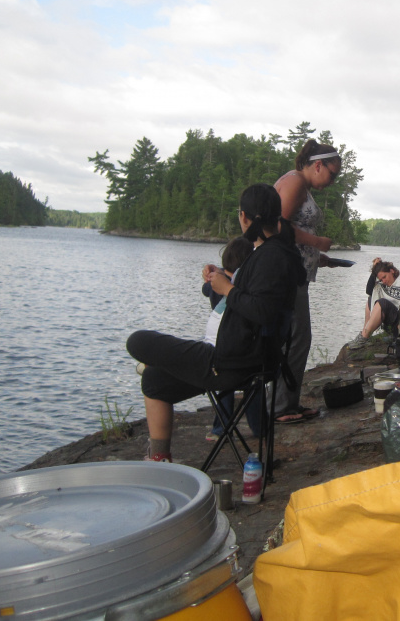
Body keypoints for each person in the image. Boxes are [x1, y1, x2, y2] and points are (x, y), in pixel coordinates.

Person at [127, 183, 305, 462]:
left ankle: (155, 363)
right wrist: (221, 277)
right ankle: (159, 458)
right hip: (245, 359)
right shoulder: (274, 253)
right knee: (154, 381)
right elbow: (258, 294)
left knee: (137, 341)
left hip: (230, 363)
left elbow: (262, 310)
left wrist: (226, 289)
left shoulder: (271, 257)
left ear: (244, 217)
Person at [273, 139, 342, 424]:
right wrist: (316, 242)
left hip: (296, 271)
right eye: (332, 174)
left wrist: (318, 256)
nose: (333, 180)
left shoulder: (298, 183)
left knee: (294, 338)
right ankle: (281, 408)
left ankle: (285, 403)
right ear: (318, 165)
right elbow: (278, 225)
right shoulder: (295, 182)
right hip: (287, 274)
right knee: (299, 337)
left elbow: (293, 227)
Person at [202, 235, 255, 442]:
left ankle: (220, 429)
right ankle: (259, 426)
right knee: (252, 385)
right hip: (246, 351)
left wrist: (214, 272)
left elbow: (206, 288)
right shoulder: (247, 286)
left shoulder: (215, 284)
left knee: (225, 386)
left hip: (220, 351)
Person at [345, 260, 400, 349]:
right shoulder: (385, 287)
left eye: (384, 277)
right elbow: (369, 291)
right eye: (381, 279)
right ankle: (365, 334)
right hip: (394, 318)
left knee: (382, 303)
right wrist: (374, 271)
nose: (383, 281)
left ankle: (364, 338)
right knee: (371, 299)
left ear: (392, 271)